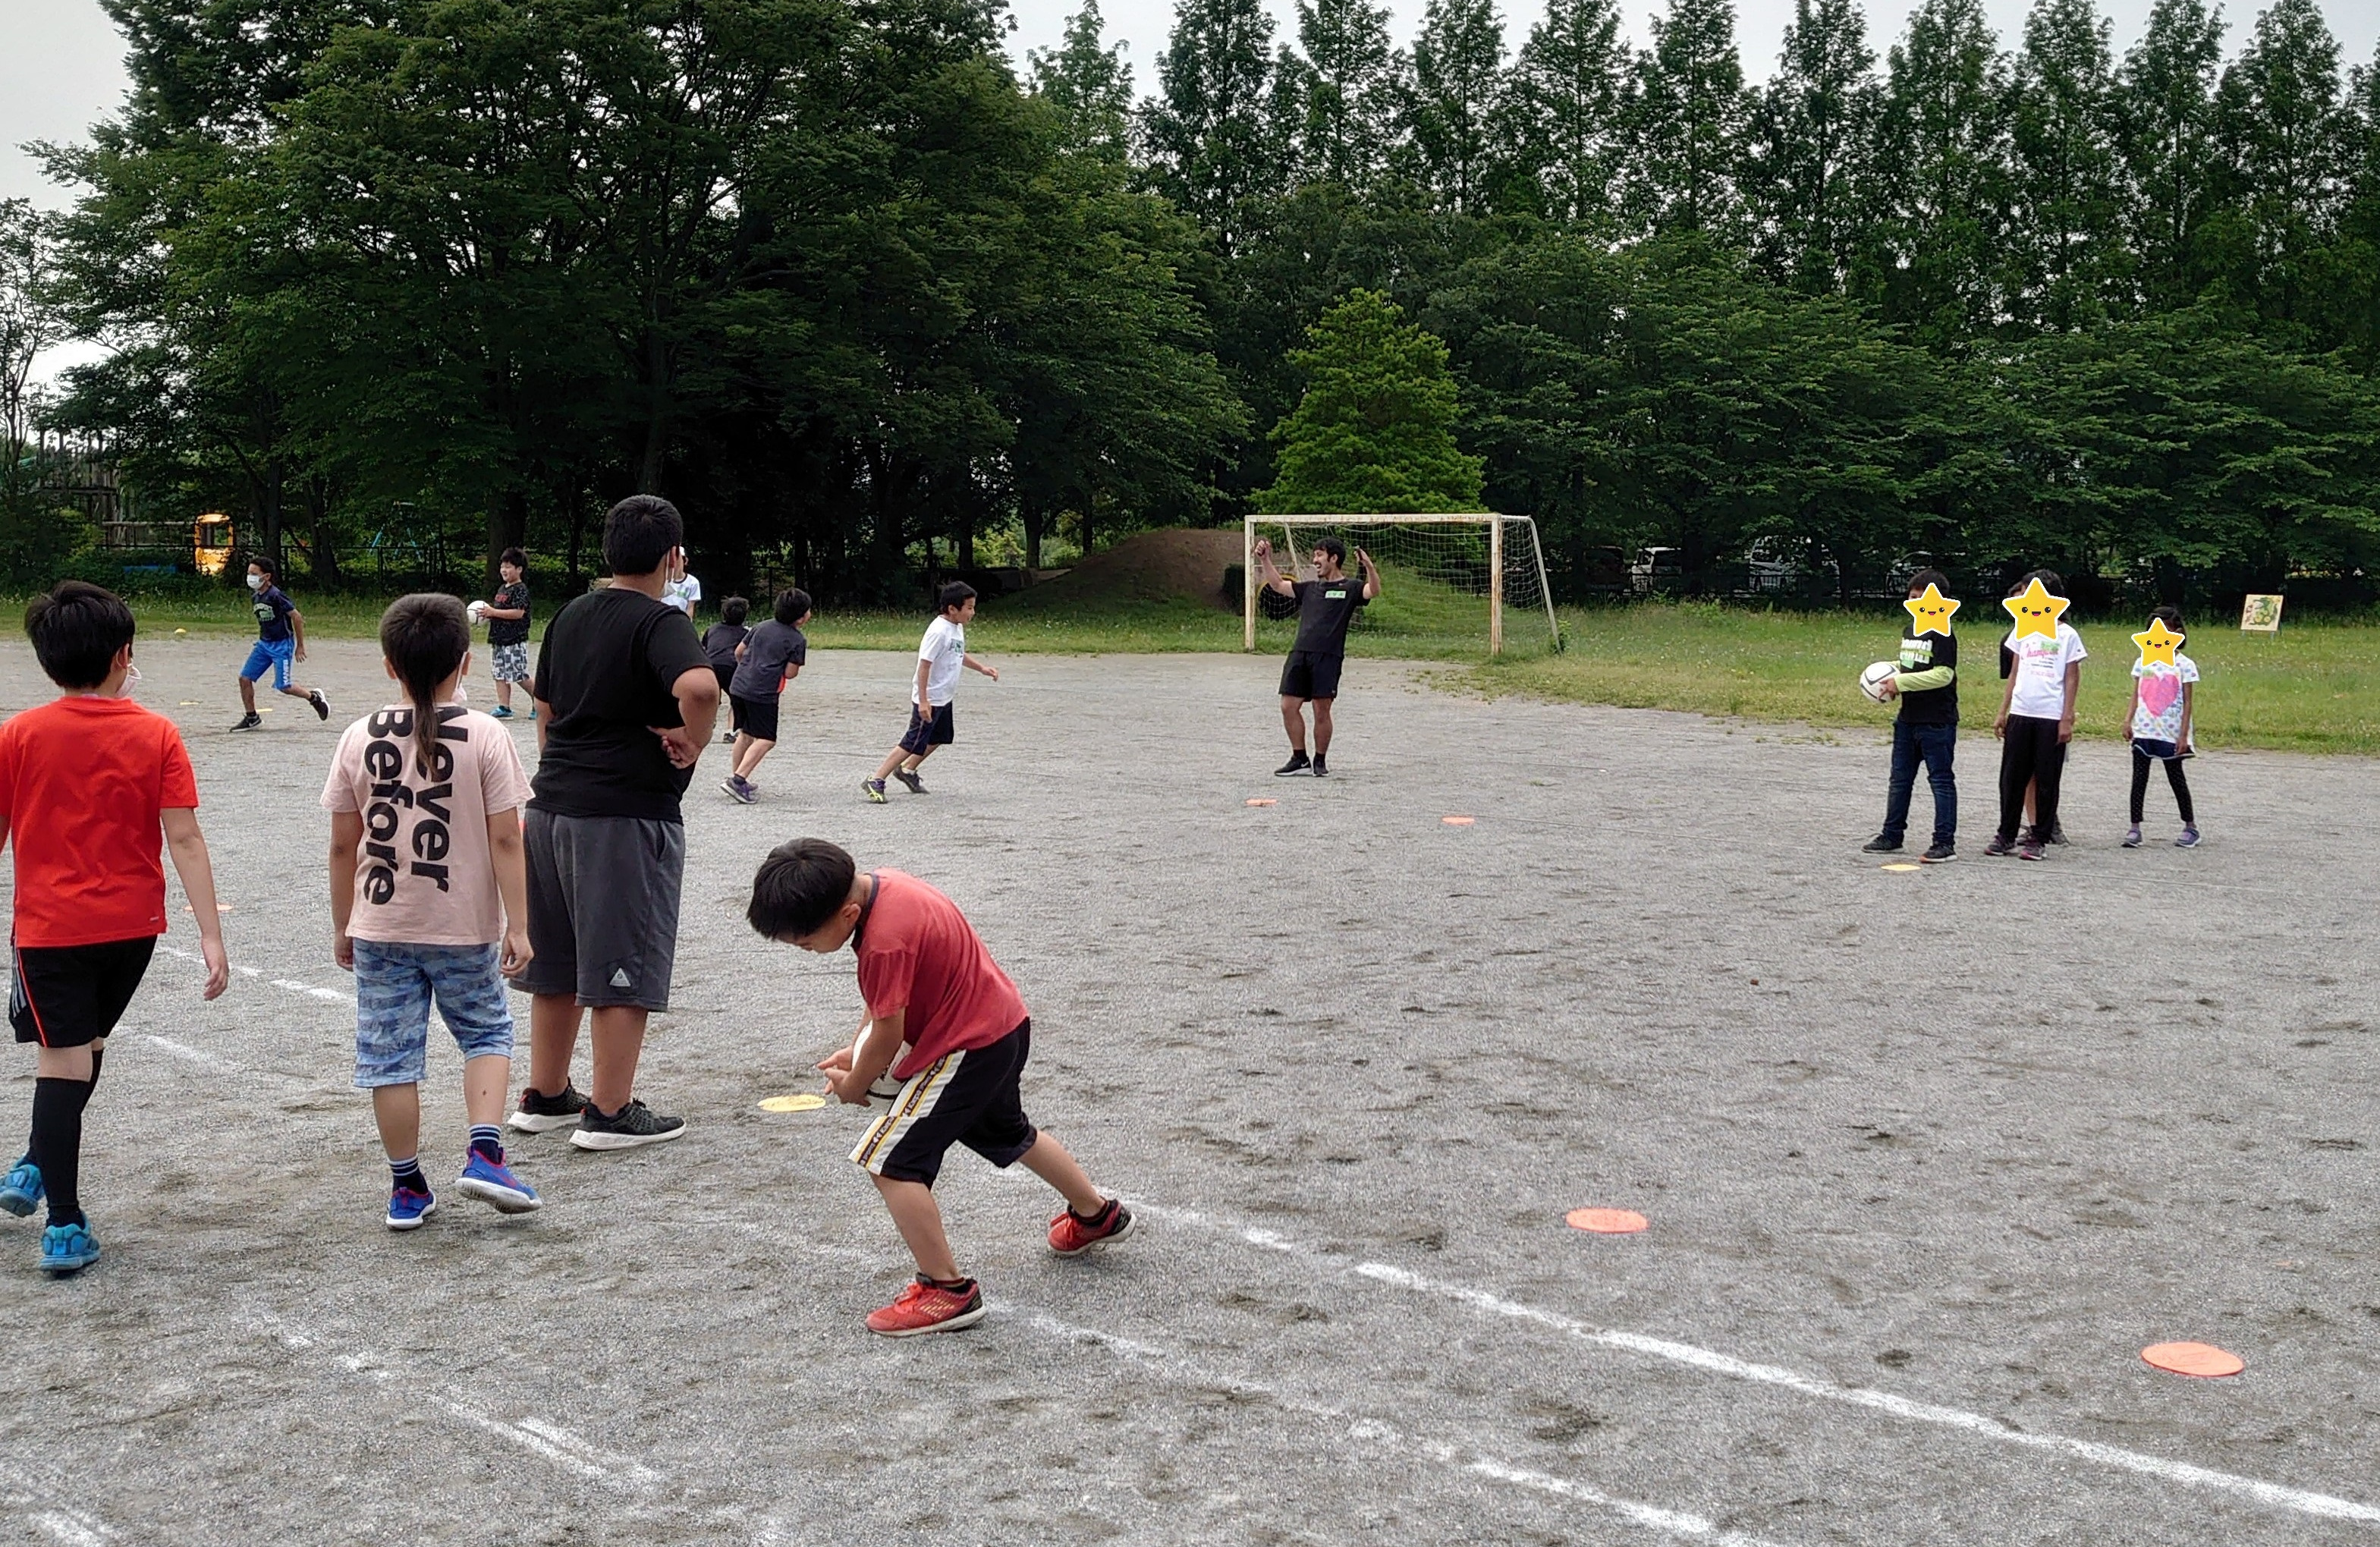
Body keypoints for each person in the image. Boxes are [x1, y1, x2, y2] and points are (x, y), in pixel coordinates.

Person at [746, 838, 1133, 1336]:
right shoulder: (886, 885)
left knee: (889, 1162)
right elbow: (886, 1002)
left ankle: (947, 1290)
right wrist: (857, 1048)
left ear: (847, 914)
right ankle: (1097, 1215)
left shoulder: (882, 941)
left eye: (804, 943)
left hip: (967, 1049)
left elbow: (888, 1031)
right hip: (1003, 1026)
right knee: (1009, 1132)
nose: (805, 951)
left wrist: (855, 1083)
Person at [0, 581, 231, 1275]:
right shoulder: (156, 732)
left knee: (64, 1058)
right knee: (85, 1046)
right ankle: (38, 1162)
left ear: (46, 661)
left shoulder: (19, 734)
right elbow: (184, 837)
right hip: (132, 930)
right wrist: (210, 933)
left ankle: (63, 1222)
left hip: (50, 930)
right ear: (124, 655)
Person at [508, 495, 719, 1149]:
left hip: (550, 807)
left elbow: (544, 705)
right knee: (623, 959)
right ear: (673, 557)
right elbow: (701, 687)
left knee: (558, 961)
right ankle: (610, 1110)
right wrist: (695, 739)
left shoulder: (571, 613)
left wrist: (560, 765)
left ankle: (546, 1094)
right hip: (622, 814)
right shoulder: (660, 620)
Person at [324, 595, 541, 1230]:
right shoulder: (486, 734)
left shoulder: (357, 735)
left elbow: (342, 844)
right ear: (465, 662)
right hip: (461, 925)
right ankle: (484, 1152)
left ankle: (406, 1186)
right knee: (487, 1032)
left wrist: (343, 922)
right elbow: (506, 838)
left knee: (390, 1056)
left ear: (389, 665)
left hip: (380, 922)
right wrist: (519, 924)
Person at [1253, 535, 1381, 777]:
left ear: (1334, 558)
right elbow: (1278, 585)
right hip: (1300, 654)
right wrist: (1265, 559)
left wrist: (1369, 567)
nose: (1315, 560)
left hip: (1328, 657)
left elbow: (1373, 590)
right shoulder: (1309, 588)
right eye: (1314, 555)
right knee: (1288, 706)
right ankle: (1299, 758)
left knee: (1321, 710)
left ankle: (1319, 760)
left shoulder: (1351, 588)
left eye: (1319, 555)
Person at [863, 583, 996, 803]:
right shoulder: (938, 631)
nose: (973, 612)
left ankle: (907, 770)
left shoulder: (956, 627)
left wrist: (981, 668)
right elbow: (924, 666)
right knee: (912, 742)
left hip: (944, 697)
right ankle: (876, 779)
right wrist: (924, 701)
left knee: (940, 737)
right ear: (952, 609)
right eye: (969, 608)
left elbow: (958, 653)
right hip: (931, 698)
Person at [1863, 569, 1958, 863]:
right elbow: (1909, 665)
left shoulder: (1943, 633)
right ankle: (1892, 835)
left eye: (1922, 598)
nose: (1915, 602)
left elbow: (1943, 674)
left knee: (1940, 781)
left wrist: (1901, 683)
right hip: (1907, 719)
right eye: (1912, 597)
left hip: (1936, 720)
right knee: (1900, 780)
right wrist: (1885, 675)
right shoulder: (1910, 631)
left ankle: (1944, 843)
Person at [1989, 571, 2086, 860]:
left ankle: (2039, 836)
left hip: (2050, 715)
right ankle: (2006, 833)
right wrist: (2003, 711)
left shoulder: (2066, 635)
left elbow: (2072, 676)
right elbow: (2014, 672)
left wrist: (2066, 717)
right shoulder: (2023, 629)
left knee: (2046, 778)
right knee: (2012, 777)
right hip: (2021, 712)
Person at [723, 589, 811, 804]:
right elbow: (790, 673)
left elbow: (739, 652)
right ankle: (738, 780)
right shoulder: (797, 640)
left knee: (746, 734)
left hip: (739, 686)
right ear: (801, 618)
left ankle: (738, 777)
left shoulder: (761, 626)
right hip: (762, 693)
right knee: (766, 739)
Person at [2123, 606, 2200, 849]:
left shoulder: (2184, 665)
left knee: (2176, 777)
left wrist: (2183, 735)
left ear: (2178, 633)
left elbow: (2188, 702)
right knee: (2139, 779)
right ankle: (2135, 827)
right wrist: (2128, 720)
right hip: (2144, 729)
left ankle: (2190, 826)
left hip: (2170, 732)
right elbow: (2136, 694)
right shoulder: (2142, 662)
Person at [231, 556, 329, 731]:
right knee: (245, 678)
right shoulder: (256, 597)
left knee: (284, 685)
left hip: (281, 646)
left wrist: (300, 645)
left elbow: (297, 617)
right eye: (249, 573)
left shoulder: (276, 596)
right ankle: (252, 718)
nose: (250, 577)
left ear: (267, 576)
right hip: (264, 644)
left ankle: (314, 697)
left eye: (254, 574)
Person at [484, 547, 535, 720]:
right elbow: (499, 611)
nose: (504, 570)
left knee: (519, 675)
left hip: (514, 640)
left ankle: (540, 702)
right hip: (498, 639)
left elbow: (518, 613)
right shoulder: (502, 589)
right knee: (499, 674)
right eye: (502, 566)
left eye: (508, 566)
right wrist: (487, 615)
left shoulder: (520, 589)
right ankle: (504, 707)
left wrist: (493, 612)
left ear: (519, 569)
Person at [703, 596, 752, 745]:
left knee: (711, 700)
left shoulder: (713, 629)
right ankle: (731, 731)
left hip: (709, 666)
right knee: (736, 699)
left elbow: (704, 647)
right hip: (731, 667)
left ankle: (707, 724)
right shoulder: (745, 633)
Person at [662, 554, 702, 620]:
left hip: (680, 619)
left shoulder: (693, 582)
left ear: (685, 561)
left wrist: (687, 623)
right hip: (663, 618)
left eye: (677, 561)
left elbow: (690, 608)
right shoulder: (662, 579)